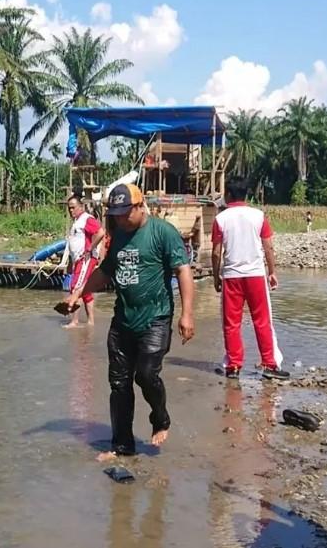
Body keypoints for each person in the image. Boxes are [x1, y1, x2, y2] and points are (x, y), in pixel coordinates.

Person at [65, 183, 195, 460]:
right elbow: (105, 272)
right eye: (116, 214)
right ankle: (122, 445)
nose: (120, 219)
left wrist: (186, 314)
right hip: (123, 319)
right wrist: (79, 293)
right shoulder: (119, 236)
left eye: (125, 213)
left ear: (139, 206)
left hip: (156, 318)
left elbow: (183, 270)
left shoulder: (162, 233)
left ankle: (160, 418)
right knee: (119, 384)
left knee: (146, 375)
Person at [211, 176, 288, 381]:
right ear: (246, 194)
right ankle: (270, 364)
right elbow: (268, 246)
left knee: (231, 323)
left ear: (228, 194)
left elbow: (217, 252)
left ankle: (234, 366)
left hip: (232, 277)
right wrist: (272, 272)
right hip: (255, 275)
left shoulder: (221, 219)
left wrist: (216, 275)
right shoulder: (258, 216)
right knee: (262, 321)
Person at [64, 195, 105, 328]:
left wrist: (90, 247)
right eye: (69, 208)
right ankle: (91, 322)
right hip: (78, 260)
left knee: (75, 287)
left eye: (73, 208)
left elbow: (100, 232)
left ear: (81, 207)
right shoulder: (76, 222)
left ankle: (74, 321)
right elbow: (73, 245)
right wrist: (71, 263)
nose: (71, 211)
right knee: (85, 290)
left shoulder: (86, 219)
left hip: (85, 259)